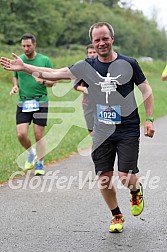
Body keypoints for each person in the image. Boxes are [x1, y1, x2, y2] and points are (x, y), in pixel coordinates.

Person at [0, 22, 155, 233]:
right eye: (97, 40)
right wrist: (26, 68)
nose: (101, 43)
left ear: (112, 39)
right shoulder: (86, 66)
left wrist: (149, 119)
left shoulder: (129, 63)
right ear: (92, 42)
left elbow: (146, 88)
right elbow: (54, 73)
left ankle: (135, 191)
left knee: (126, 177)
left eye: (105, 38)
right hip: (101, 131)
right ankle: (116, 215)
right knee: (104, 177)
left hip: (127, 128)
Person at [9, 33, 55, 176]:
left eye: (28, 45)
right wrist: (15, 86)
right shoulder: (19, 60)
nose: (26, 48)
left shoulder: (44, 60)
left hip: (40, 101)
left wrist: (43, 82)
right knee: (21, 134)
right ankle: (31, 153)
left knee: (38, 134)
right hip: (23, 101)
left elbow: (53, 81)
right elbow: (15, 75)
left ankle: (40, 163)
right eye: (23, 46)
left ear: (34, 45)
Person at [74, 44, 97, 133]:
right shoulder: (83, 68)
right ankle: (96, 145)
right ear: (87, 55)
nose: (92, 54)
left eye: (94, 52)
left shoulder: (104, 66)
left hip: (103, 103)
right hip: (88, 103)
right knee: (91, 130)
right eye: (90, 53)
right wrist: (84, 89)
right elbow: (76, 85)